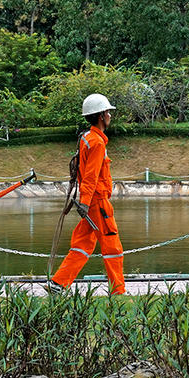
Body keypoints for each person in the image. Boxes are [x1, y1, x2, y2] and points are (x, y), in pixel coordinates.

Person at [48, 93, 126, 295]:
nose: (110, 116)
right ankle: (118, 291)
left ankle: (58, 283)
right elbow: (90, 176)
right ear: (101, 116)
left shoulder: (86, 138)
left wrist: (84, 202)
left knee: (82, 244)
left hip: (91, 202)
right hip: (98, 202)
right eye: (108, 112)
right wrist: (84, 202)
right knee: (112, 247)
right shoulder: (97, 143)